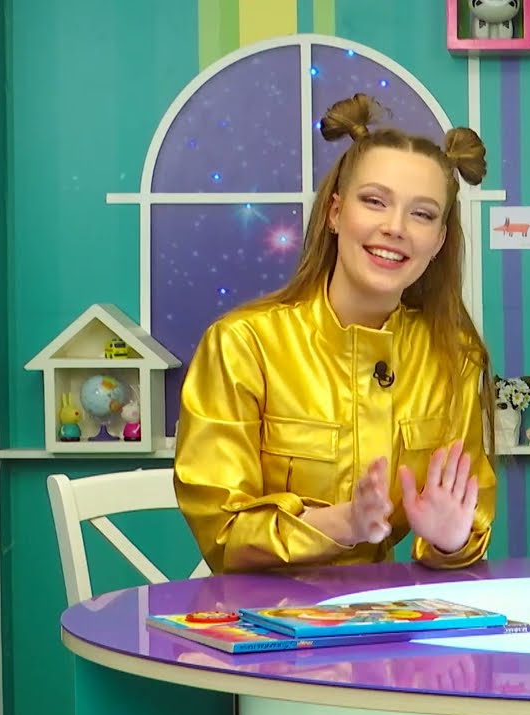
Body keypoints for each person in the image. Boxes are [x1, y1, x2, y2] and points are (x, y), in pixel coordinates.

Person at [172, 93, 497, 574]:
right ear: (335, 212)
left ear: (439, 241)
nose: (395, 228)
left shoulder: (454, 356)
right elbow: (225, 532)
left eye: (423, 214)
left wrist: (450, 541)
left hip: (388, 615)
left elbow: (469, 523)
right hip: (268, 616)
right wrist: (344, 523)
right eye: (374, 202)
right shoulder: (242, 344)